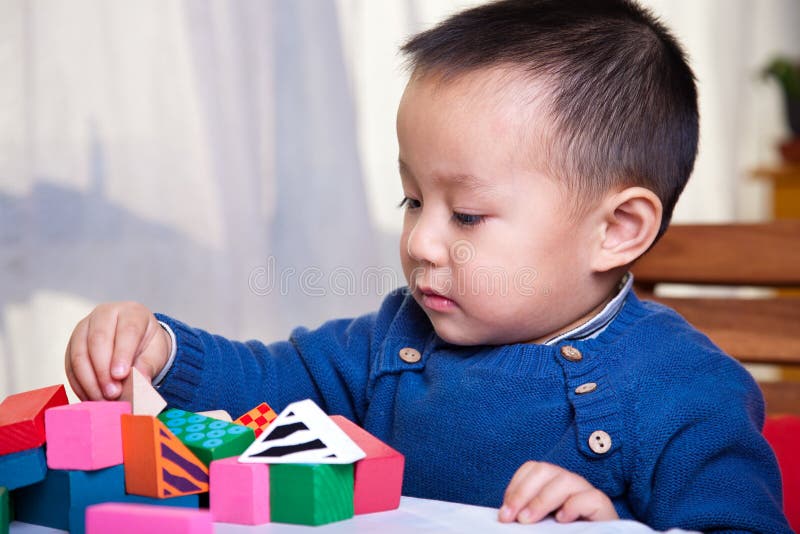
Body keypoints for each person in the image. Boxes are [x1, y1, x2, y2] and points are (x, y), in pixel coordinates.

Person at [64, 0, 791, 531]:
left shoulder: (686, 393)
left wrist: (613, 527)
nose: (420, 243)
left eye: (466, 214)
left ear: (617, 229)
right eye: (413, 200)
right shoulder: (396, 339)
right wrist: (160, 347)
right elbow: (271, 380)